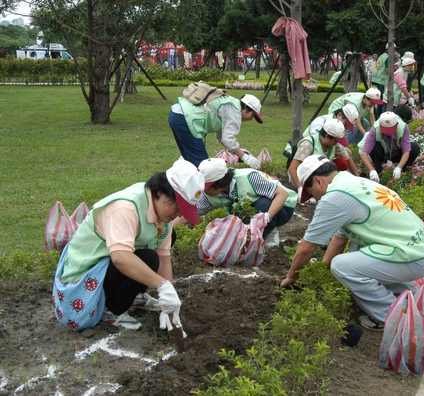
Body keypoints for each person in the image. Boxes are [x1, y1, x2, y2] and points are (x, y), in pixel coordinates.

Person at [280, 155, 424, 331]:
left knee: (341, 266)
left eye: (311, 192)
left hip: (412, 258)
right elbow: (339, 239)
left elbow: (307, 247)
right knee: (357, 251)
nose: (314, 198)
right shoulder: (352, 182)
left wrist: (292, 277)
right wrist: (322, 272)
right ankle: (411, 297)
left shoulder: (334, 197)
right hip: (422, 251)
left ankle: (394, 317)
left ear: (318, 181)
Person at [52, 158, 205, 331]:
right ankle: (111, 310)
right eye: (178, 207)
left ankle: (133, 296)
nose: (178, 215)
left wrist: (168, 301)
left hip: (107, 266)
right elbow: (120, 258)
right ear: (161, 193)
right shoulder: (125, 208)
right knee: (147, 258)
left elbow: (164, 258)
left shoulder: (161, 216)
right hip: (83, 278)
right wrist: (162, 286)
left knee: (159, 248)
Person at [196, 158, 296, 248]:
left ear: (219, 182)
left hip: (283, 207)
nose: (204, 190)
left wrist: (267, 217)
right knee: (236, 211)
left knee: (262, 204)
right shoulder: (210, 194)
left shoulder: (249, 178)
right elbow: (194, 211)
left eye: (206, 187)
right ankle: (250, 238)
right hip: (255, 206)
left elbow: (282, 194)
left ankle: (268, 233)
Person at [168, 93, 264, 168]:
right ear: (247, 108)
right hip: (185, 119)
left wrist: (239, 151)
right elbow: (227, 139)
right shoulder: (235, 112)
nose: (251, 119)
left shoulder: (231, 103)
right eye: (252, 115)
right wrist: (245, 158)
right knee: (203, 166)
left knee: (190, 160)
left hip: (176, 113)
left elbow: (223, 138)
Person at [288, 118, 359, 201]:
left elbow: (348, 159)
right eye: (336, 140)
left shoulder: (334, 145)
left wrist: (357, 179)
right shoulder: (308, 144)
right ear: (327, 136)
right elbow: (292, 168)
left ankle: (326, 188)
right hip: (303, 177)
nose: (337, 143)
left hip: (319, 177)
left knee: (342, 162)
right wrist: (300, 189)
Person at [358, 108, 420, 183]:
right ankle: (378, 173)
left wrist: (399, 167)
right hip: (383, 154)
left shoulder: (403, 128)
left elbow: (406, 151)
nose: (388, 133)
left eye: (391, 129)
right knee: (375, 146)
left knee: (414, 147)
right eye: (385, 130)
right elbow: (364, 153)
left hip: (397, 153)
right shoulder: (375, 130)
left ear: (396, 125)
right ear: (380, 126)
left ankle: (403, 172)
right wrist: (371, 170)